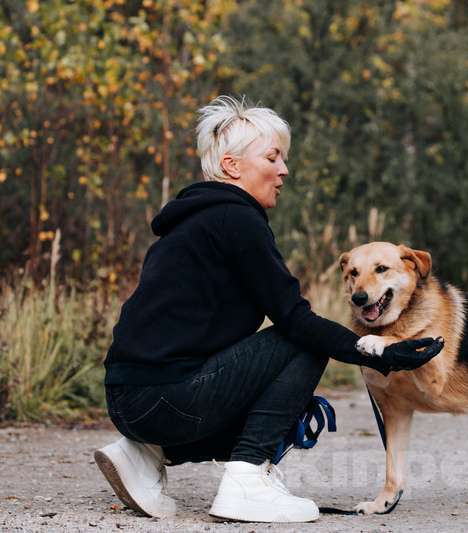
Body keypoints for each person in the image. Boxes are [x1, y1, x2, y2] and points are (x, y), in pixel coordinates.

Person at [94, 95, 443, 524]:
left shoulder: (189, 224)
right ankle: (247, 482)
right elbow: (295, 320)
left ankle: (145, 454)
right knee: (300, 345)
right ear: (232, 166)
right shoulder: (237, 220)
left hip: (129, 400)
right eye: (273, 157)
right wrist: (377, 350)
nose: (284, 170)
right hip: (166, 400)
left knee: (282, 383)